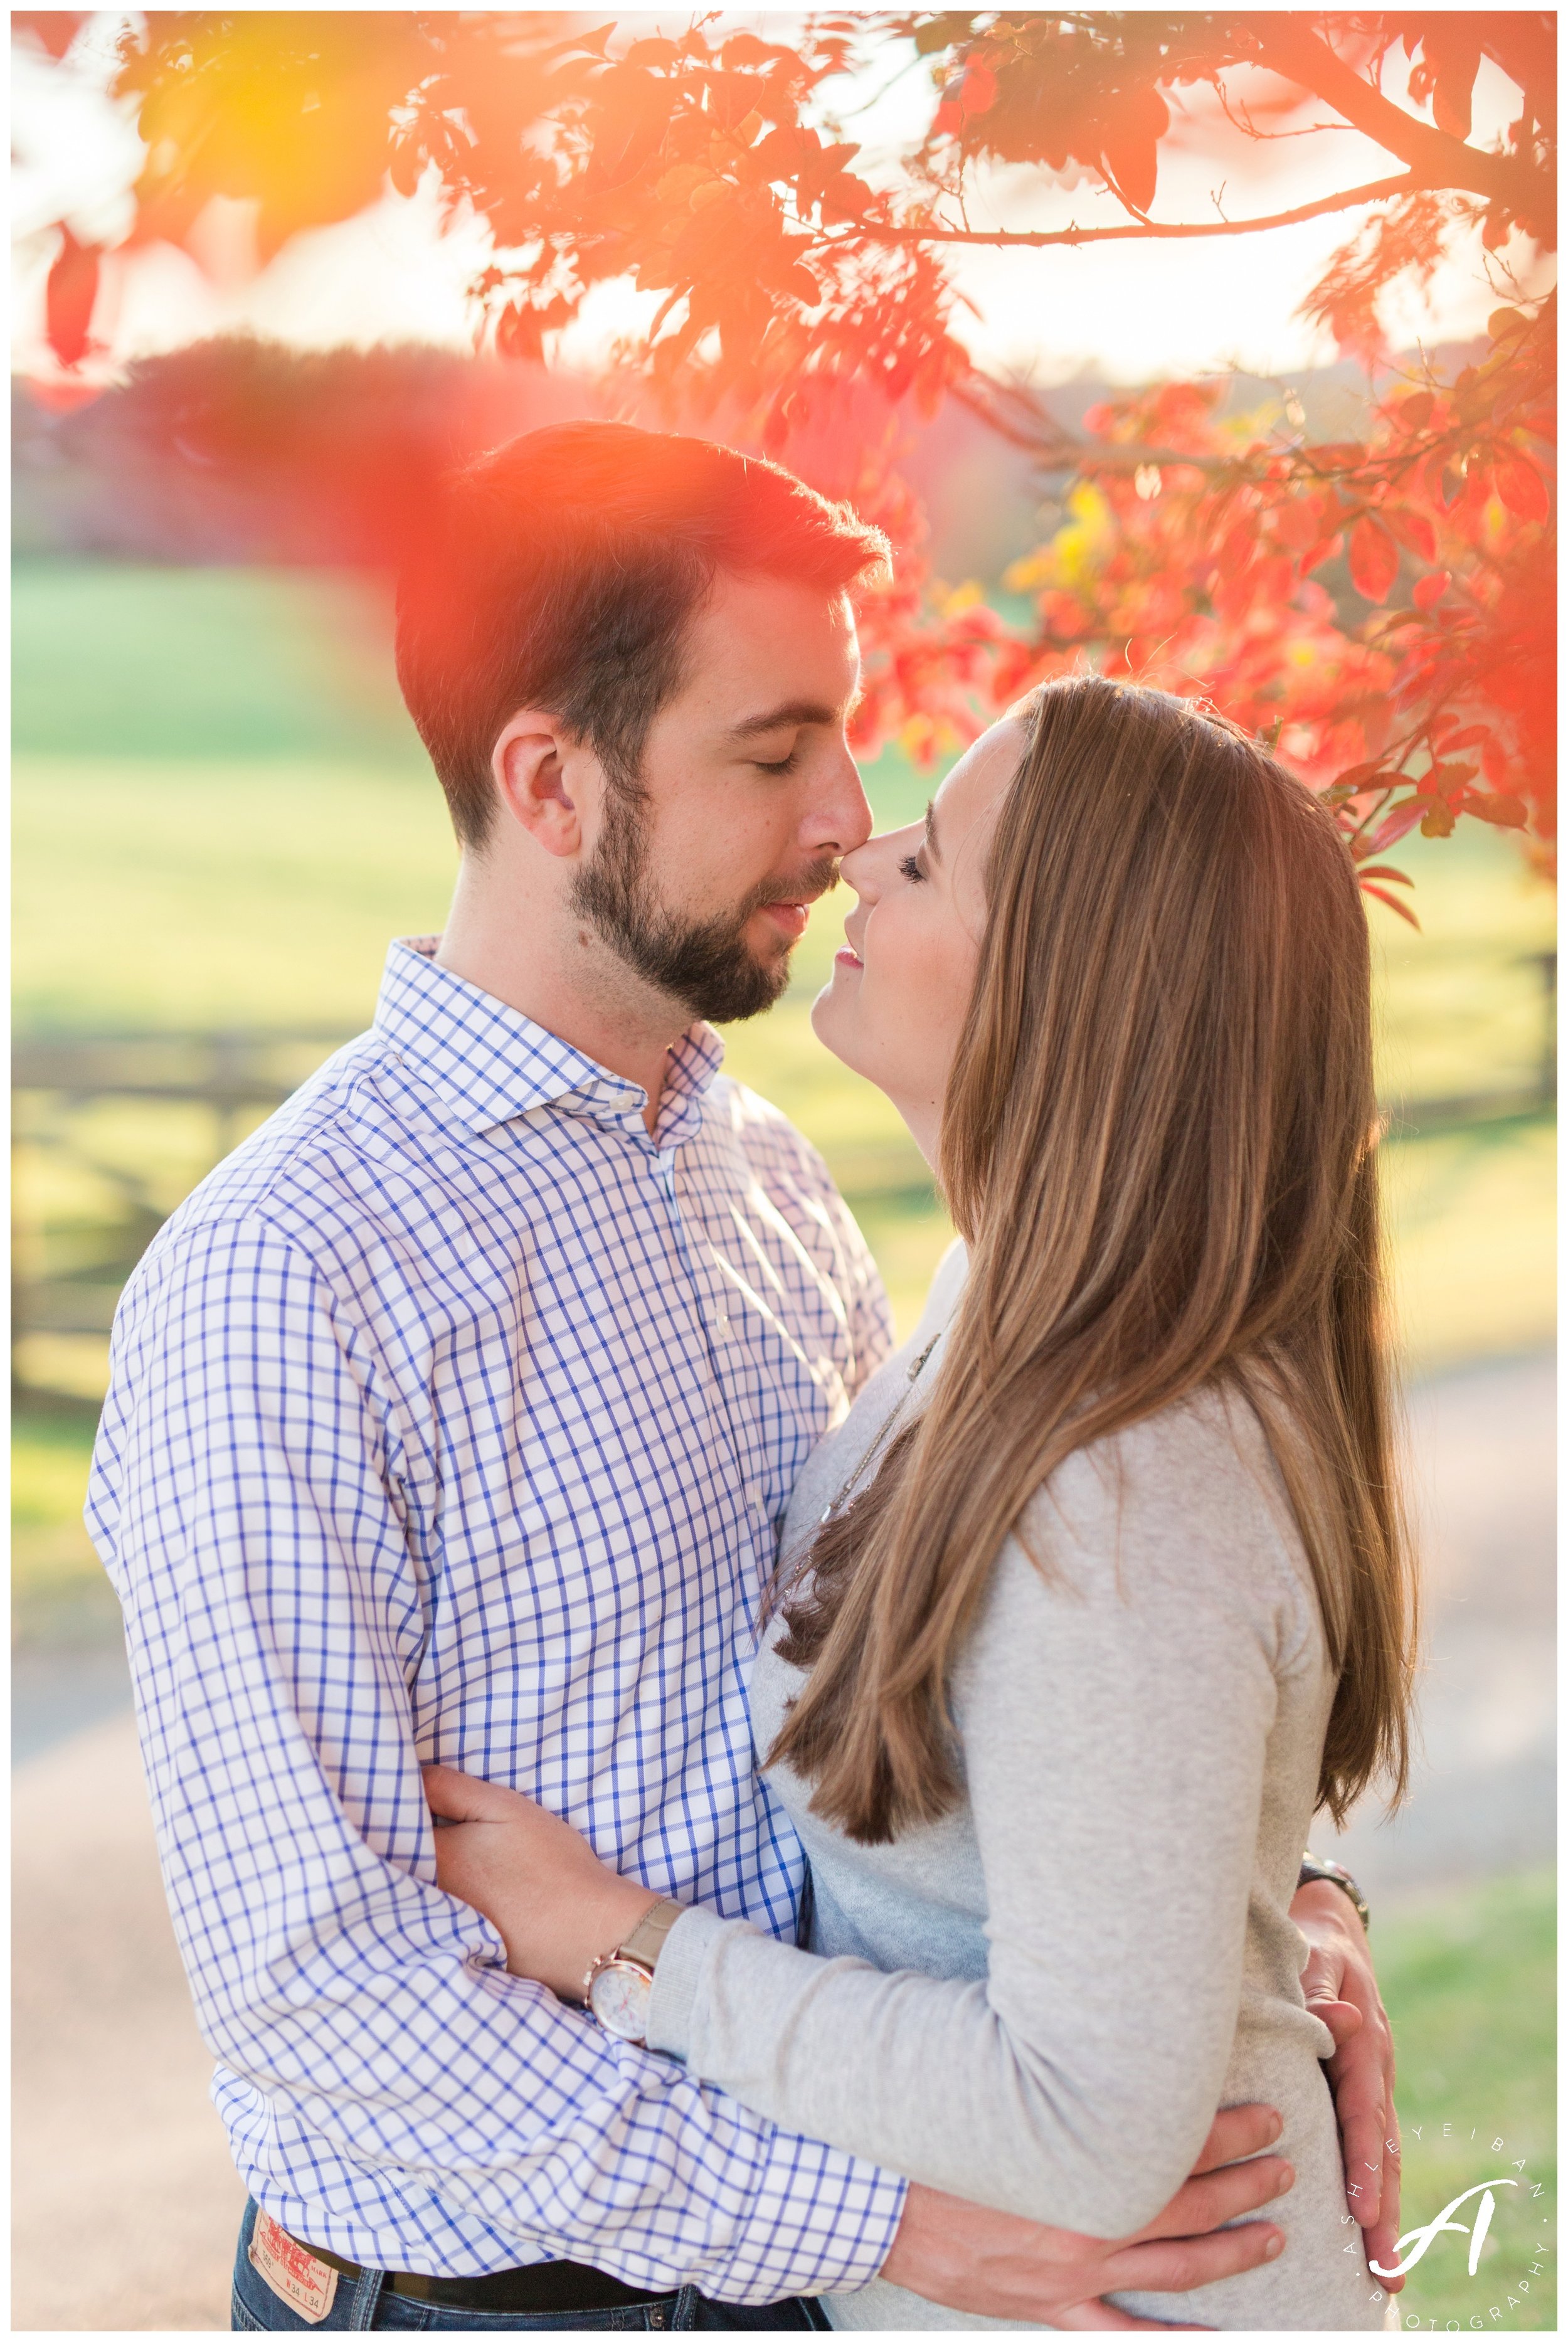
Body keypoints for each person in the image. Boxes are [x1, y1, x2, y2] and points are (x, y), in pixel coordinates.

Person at [87, 425, 1396, 2334]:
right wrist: (885, 2228)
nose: (845, 818)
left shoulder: (760, 1173)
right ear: (551, 781)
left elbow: (1011, 1668)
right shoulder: (285, 1282)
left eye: (845, 742)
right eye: (773, 753)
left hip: (860, 2239)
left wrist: (1272, 1911)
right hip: (526, 2299)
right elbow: (330, 1998)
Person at [422, 674, 1419, 2329]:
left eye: (935, 859)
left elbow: (1086, 2126)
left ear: (1076, 991)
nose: (863, 850)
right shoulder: (1001, 1327)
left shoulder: (1120, 1477)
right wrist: (1291, 1903)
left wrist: (614, 1940)